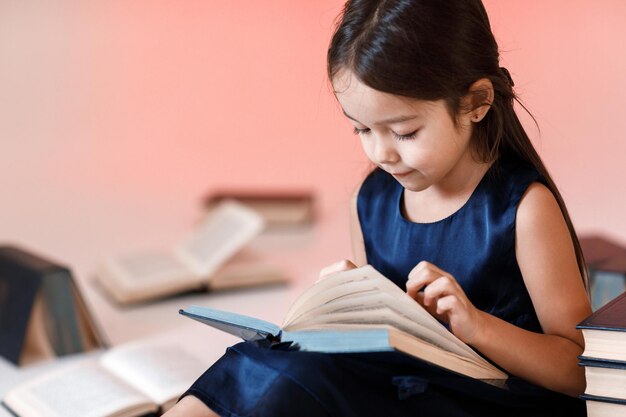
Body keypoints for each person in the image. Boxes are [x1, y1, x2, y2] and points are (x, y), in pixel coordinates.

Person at [164, 0, 591, 415]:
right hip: (403, 389)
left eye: (404, 132)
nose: (381, 153)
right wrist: (349, 307)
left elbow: (582, 372)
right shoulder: (371, 200)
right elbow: (379, 349)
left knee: (292, 381)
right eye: (362, 129)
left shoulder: (522, 209)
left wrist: (476, 326)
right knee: (259, 359)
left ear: (476, 101)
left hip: (491, 402)